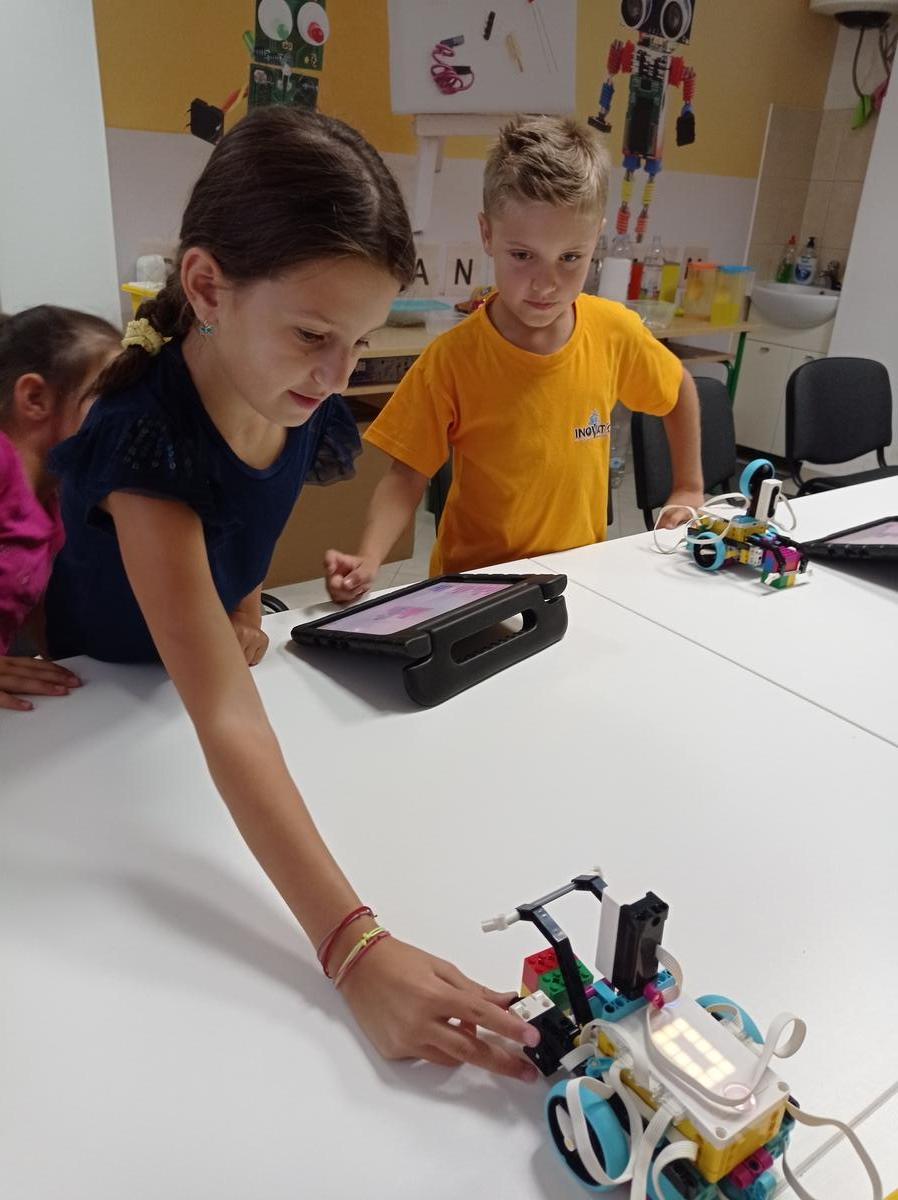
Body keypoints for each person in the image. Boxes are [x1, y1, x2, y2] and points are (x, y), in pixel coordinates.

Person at [45, 108, 539, 1081]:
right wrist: (354, 949)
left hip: (169, 693)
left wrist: (241, 601)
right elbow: (225, 715)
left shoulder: (292, 391)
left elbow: (249, 521)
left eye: (358, 340)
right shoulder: (144, 435)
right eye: (314, 333)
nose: (337, 373)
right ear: (206, 288)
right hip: (88, 704)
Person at [325, 115, 703, 603]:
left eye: (570, 258)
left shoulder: (614, 332)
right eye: (523, 256)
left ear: (597, 239)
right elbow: (406, 474)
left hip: (577, 582)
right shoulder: (453, 359)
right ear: (487, 234)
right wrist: (370, 555)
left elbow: (678, 390)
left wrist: (689, 487)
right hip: (474, 590)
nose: (546, 284)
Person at [0, 305, 119, 711]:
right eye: (108, 398)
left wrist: (61, 666)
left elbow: (30, 601)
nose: (127, 418)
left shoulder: (53, 498)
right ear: (35, 398)